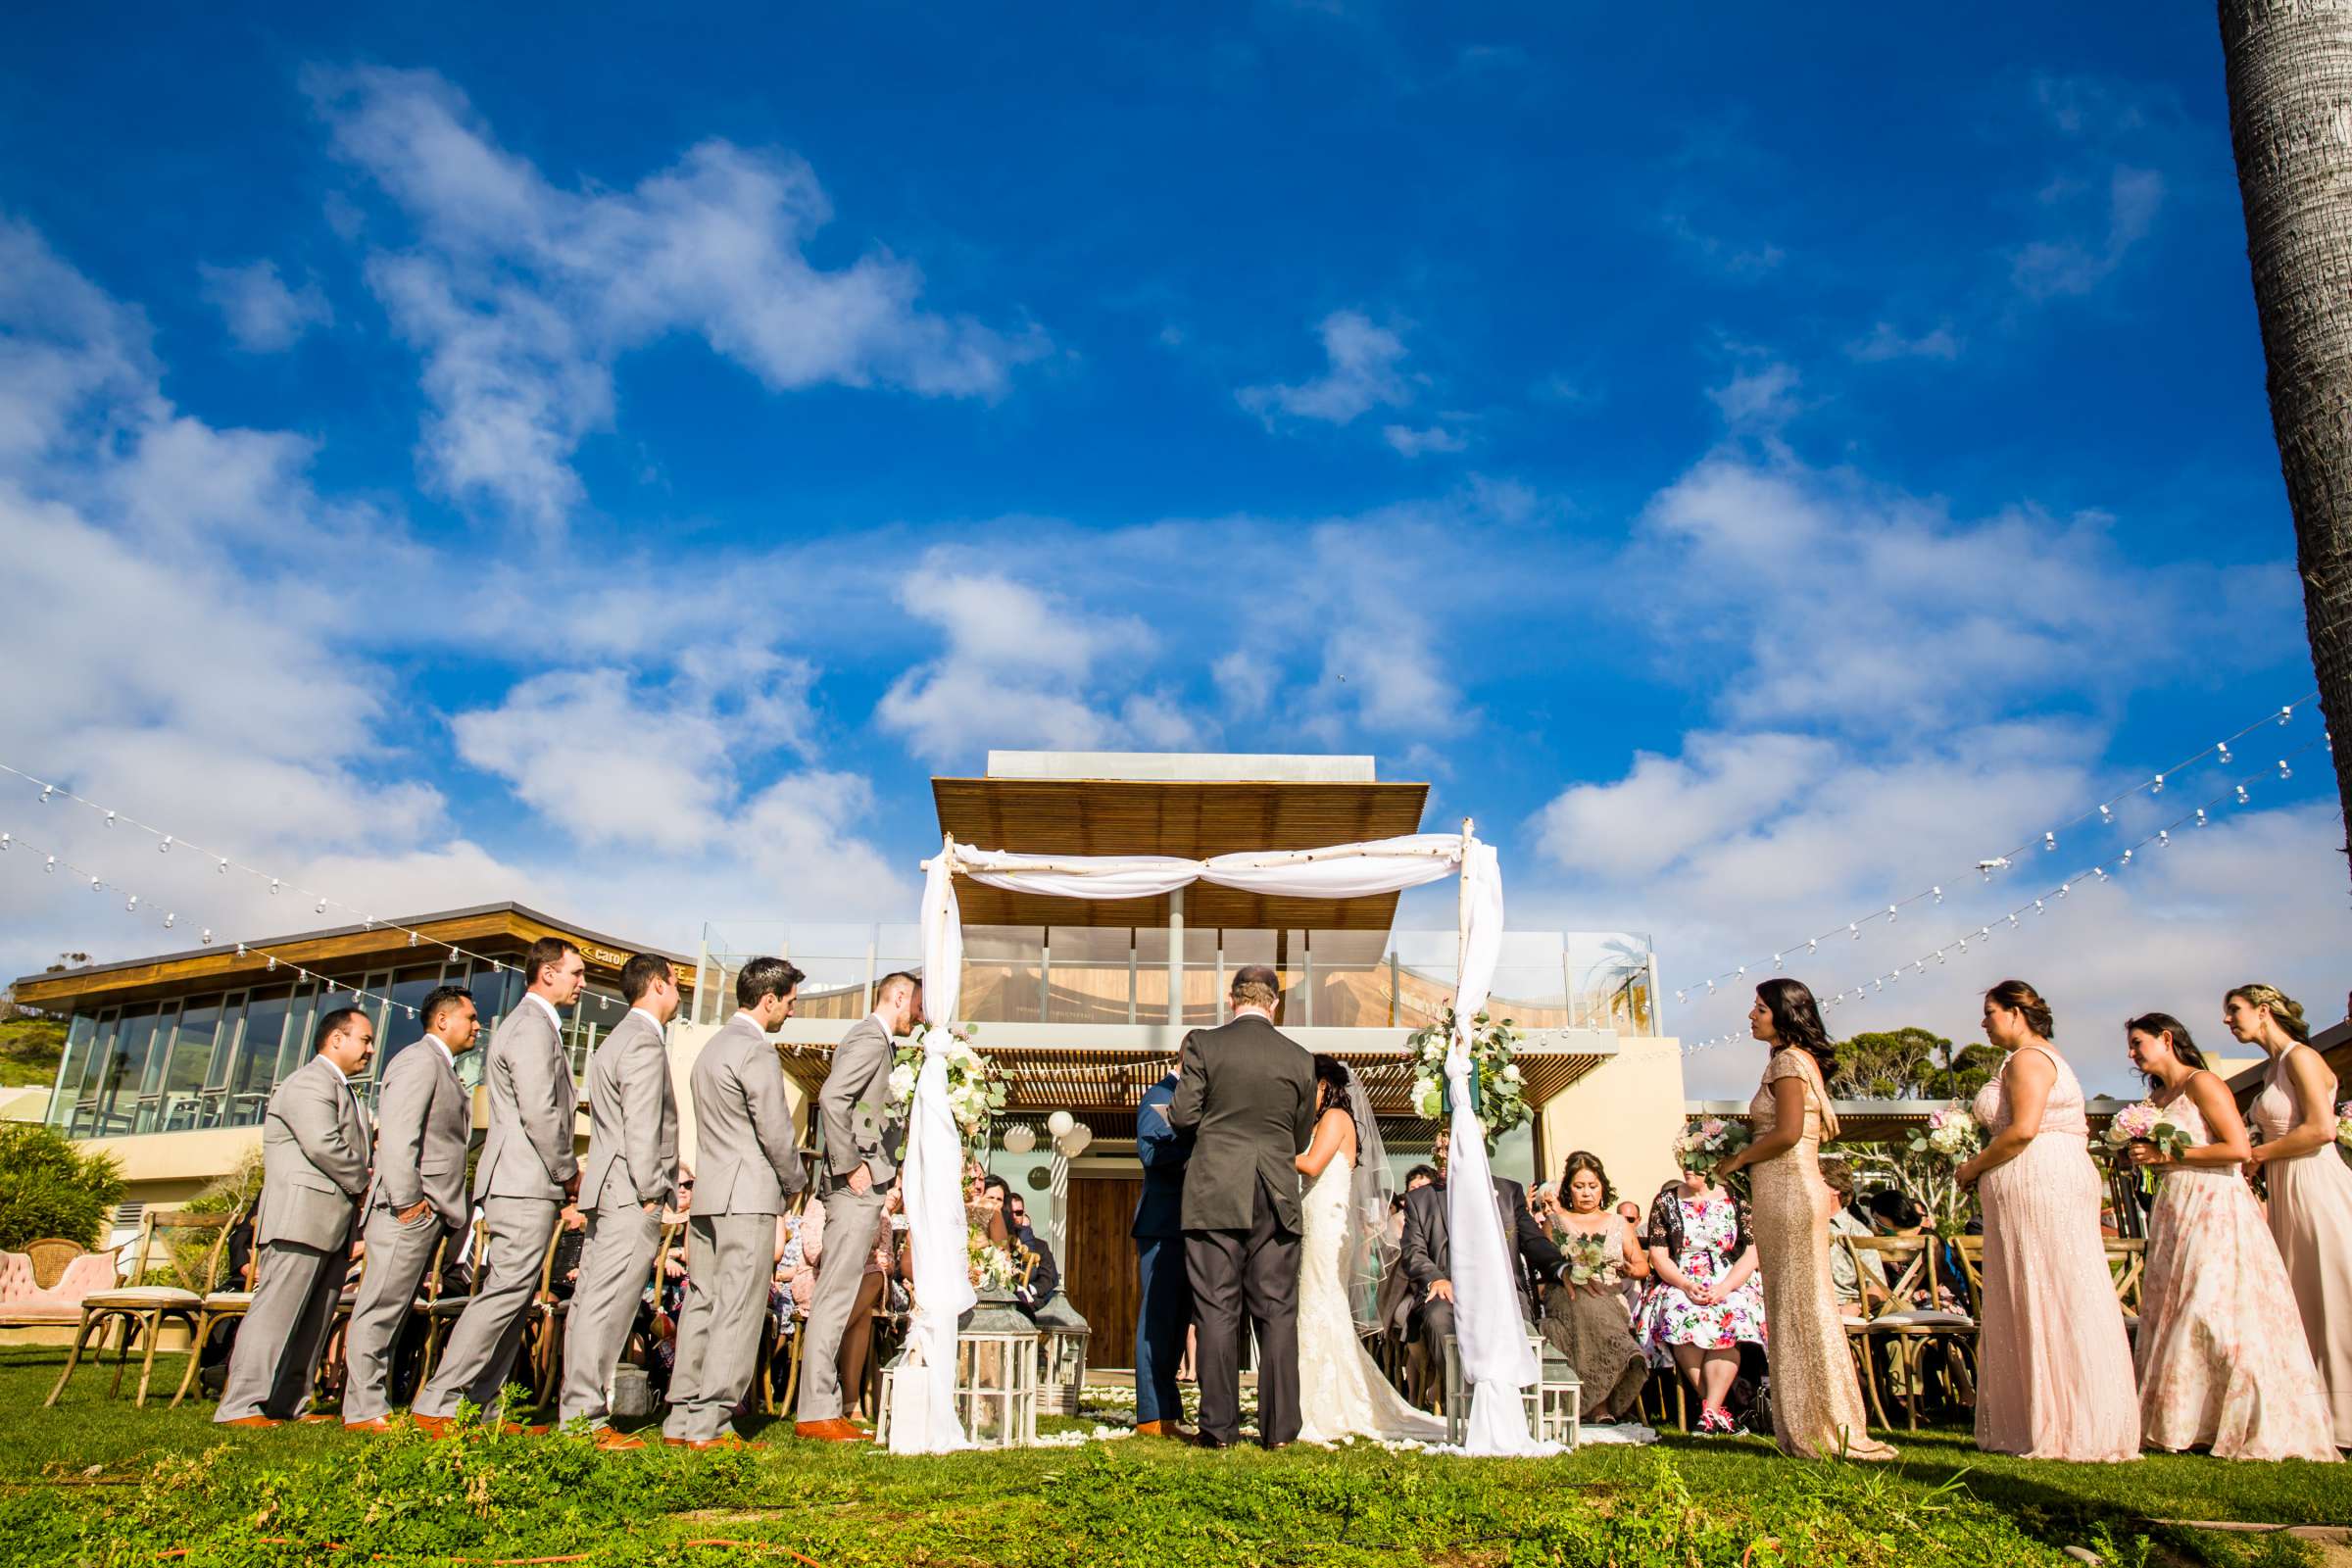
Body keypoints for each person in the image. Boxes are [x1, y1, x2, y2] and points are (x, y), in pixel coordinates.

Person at [2122, 1012, 2335, 1460]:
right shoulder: (2160, 1096)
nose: (2132, 1054)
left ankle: (2246, 1416)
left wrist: (2169, 1152)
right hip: (2174, 1205)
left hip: (2214, 1203)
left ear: (2166, 1039)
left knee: (2210, 1309)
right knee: (2176, 1310)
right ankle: (2190, 1421)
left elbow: (2237, 1149)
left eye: (2138, 1043)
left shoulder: (2204, 1084)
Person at [1954, 979, 2139, 1461]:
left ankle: (2069, 1420)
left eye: (1990, 1012)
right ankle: (2051, 1414)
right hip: (2036, 1180)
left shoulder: (2029, 1059)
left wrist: (1972, 1168)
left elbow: (2021, 1130)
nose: (1984, 1021)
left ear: (2017, 1013)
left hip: (2039, 1179)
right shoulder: (2031, 1057)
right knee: (2043, 1289)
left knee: (2051, 1290)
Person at [1716, 979, 1893, 1460]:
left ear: (1782, 1014)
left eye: (1759, 1009)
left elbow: (1789, 1132)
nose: (1751, 1016)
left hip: (1790, 1190)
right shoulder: (1795, 1062)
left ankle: (1827, 1422)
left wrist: (1736, 1160)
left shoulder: (1788, 1062)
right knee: (1793, 1305)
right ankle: (1809, 1421)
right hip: (1782, 1191)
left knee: (1803, 1306)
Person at [414, 938, 585, 1433]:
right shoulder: (531, 1027)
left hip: (527, 1180)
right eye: (574, 973)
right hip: (522, 1180)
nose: (581, 982)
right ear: (547, 973)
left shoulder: (536, 1027)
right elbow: (541, 1111)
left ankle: (484, 1408)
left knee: (517, 1297)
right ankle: (439, 1401)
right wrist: (568, 1171)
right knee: (504, 1293)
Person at [1169, 964, 1316, 1450]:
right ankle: (1279, 1432)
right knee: (1276, 1312)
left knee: (1216, 1308)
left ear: (1231, 999)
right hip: (1276, 1192)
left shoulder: (1203, 1044)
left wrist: (1175, 1115)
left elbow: (1186, 1114)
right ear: (1274, 1003)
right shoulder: (1300, 1058)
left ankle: (1219, 1430)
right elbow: (1299, 1136)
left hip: (1215, 1189)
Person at [662, 957, 808, 1448]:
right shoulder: (757, 1052)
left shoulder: (709, 1051)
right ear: (768, 1000)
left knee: (701, 1303)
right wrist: (794, 1182)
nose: (790, 1011)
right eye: (789, 1002)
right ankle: (713, 1422)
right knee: (739, 1308)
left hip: (707, 1195)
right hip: (747, 1196)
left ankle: (681, 1417)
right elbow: (775, 1129)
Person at [216, 1007, 376, 1427]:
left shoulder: (348, 1091)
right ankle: (240, 1406)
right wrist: (366, 1182)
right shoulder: (307, 1082)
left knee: (312, 1321)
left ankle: (289, 1404)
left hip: (334, 1226)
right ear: (336, 1039)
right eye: (365, 1039)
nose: (371, 1049)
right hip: (299, 1219)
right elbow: (324, 1144)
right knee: (275, 1315)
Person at [559, 953, 683, 1449]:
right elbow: (641, 1124)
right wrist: (652, 1191)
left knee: (593, 1301)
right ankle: (585, 1418)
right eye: (675, 984)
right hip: (630, 1191)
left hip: (609, 1187)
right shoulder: (642, 1040)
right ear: (656, 985)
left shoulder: (620, 1038)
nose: (678, 993)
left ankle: (578, 1410)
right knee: (608, 1304)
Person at [344, 985, 479, 1431]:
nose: (478, 1026)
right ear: (443, 1020)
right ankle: (363, 1409)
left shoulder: (443, 1067)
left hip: (429, 1209)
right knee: (380, 1306)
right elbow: (400, 1136)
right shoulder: (419, 1061)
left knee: (395, 1307)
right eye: (471, 1018)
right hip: (407, 1209)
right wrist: (406, 1203)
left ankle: (374, 1401)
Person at [1292, 1054, 1446, 1445]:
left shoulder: (1335, 1119)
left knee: (1320, 1302)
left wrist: (1265, 1151)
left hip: (1326, 1224)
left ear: (1323, 1085)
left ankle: (1324, 1402)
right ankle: (1320, 1397)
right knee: (1321, 1304)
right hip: (1320, 1220)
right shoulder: (1327, 1119)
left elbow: (1311, 1165)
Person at [797, 970, 917, 1442]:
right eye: (918, 1005)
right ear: (900, 996)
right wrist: (852, 1166)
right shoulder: (869, 1037)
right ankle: (815, 1412)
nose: (921, 1015)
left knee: (844, 1293)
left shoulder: (882, 1044)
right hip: (853, 1187)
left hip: (866, 1184)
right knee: (836, 1294)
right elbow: (831, 1097)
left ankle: (826, 1408)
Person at [2233, 982, 2352, 1447]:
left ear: (2264, 1011)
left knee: (2333, 1290)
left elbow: (2321, 1129)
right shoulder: (2272, 1070)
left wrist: (2259, 1153)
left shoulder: (2301, 1057)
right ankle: (2322, 1408)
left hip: (2314, 1183)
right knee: (2304, 1298)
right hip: (2286, 1187)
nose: (2228, 1020)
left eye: (2235, 1010)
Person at [1398, 1126, 1565, 1391]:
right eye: (1437, 1149)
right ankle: (1464, 1399)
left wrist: (1562, 1268)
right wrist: (1436, 1280)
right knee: (1440, 1316)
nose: (1442, 1156)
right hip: (1448, 1293)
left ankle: (1512, 1399)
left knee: (1513, 1318)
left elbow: (1533, 1241)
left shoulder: (1508, 1193)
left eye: (1448, 1148)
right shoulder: (1421, 1199)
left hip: (1502, 1292)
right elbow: (1413, 1252)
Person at [1634, 1158, 1764, 1434]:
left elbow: (1751, 1253)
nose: (1689, 1168)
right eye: (1685, 1162)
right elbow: (1659, 1255)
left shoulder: (1737, 1198)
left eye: (1697, 1162)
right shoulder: (1666, 1200)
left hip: (1729, 1278)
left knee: (1732, 1314)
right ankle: (1716, 1411)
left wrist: (1726, 1287)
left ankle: (1711, 1411)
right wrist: (1685, 1284)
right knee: (1680, 1312)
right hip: (1680, 1278)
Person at [1537, 1151, 1650, 1424]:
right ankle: (1599, 1406)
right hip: (1567, 1293)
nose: (1586, 1193)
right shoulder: (1555, 1224)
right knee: (1580, 1304)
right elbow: (1547, 1267)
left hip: (1610, 1293)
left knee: (1595, 1305)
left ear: (1602, 1187)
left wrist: (1630, 1269)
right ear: (1568, 1190)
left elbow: (1642, 1266)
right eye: (1579, 1186)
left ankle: (1595, 1399)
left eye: (1592, 1186)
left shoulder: (1618, 1223)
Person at [1131, 1060, 1194, 1440]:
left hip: (1186, 1224)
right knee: (1157, 1321)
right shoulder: (1159, 1096)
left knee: (1176, 1325)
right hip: (1162, 1225)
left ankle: (1169, 1413)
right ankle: (1150, 1416)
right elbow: (1151, 1153)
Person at [1820, 1157, 1886, 1313]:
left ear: (1835, 1188)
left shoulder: (1857, 1231)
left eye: (1815, 1180)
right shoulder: (1795, 1227)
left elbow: (1878, 1287)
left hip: (1840, 1310)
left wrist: (1858, 1307)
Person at [1005, 1194, 1059, 1312]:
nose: (1014, 1217)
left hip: (1032, 1304)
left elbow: (1048, 1278)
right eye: (1011, 1213)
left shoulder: (1041, 1246)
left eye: (1018, 1213)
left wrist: (1028, 1289)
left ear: (1023, 1214)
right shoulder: (999, 1240)